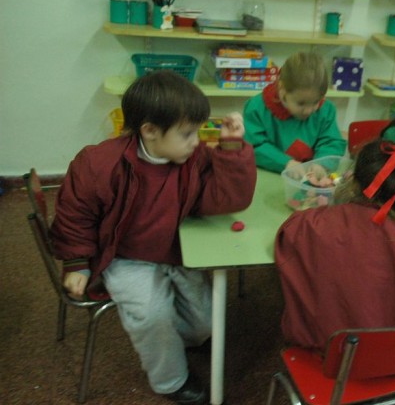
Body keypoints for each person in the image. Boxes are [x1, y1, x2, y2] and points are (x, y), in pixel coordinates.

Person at [50, 70, 257, 405]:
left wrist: (232, 148)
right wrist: (76, 263)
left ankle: (183, 341)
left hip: (177, 251)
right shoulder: (98, 164)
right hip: (125, 258)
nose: (196, 141)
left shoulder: (192, 157)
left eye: (197, 131)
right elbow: (75, 215)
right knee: (151, 317)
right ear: (149, 131)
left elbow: (228, 199)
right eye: (187, 133)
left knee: (207, 319)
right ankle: (171, 380)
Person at [274, 139, 395, 352]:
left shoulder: (311, 223)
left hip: (323, 349)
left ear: (353, 183)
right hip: (394, 353)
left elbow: (285, 240)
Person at [243, 51, 347, 173]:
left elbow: (332, 142)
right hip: (268, 174)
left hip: (309, 178)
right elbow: (253, 146)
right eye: (301, 103)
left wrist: (322, 164)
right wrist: (285, 163)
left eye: (316, 102)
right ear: (282, 90)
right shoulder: (257, 108)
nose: (308, 110)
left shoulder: (325, 110)